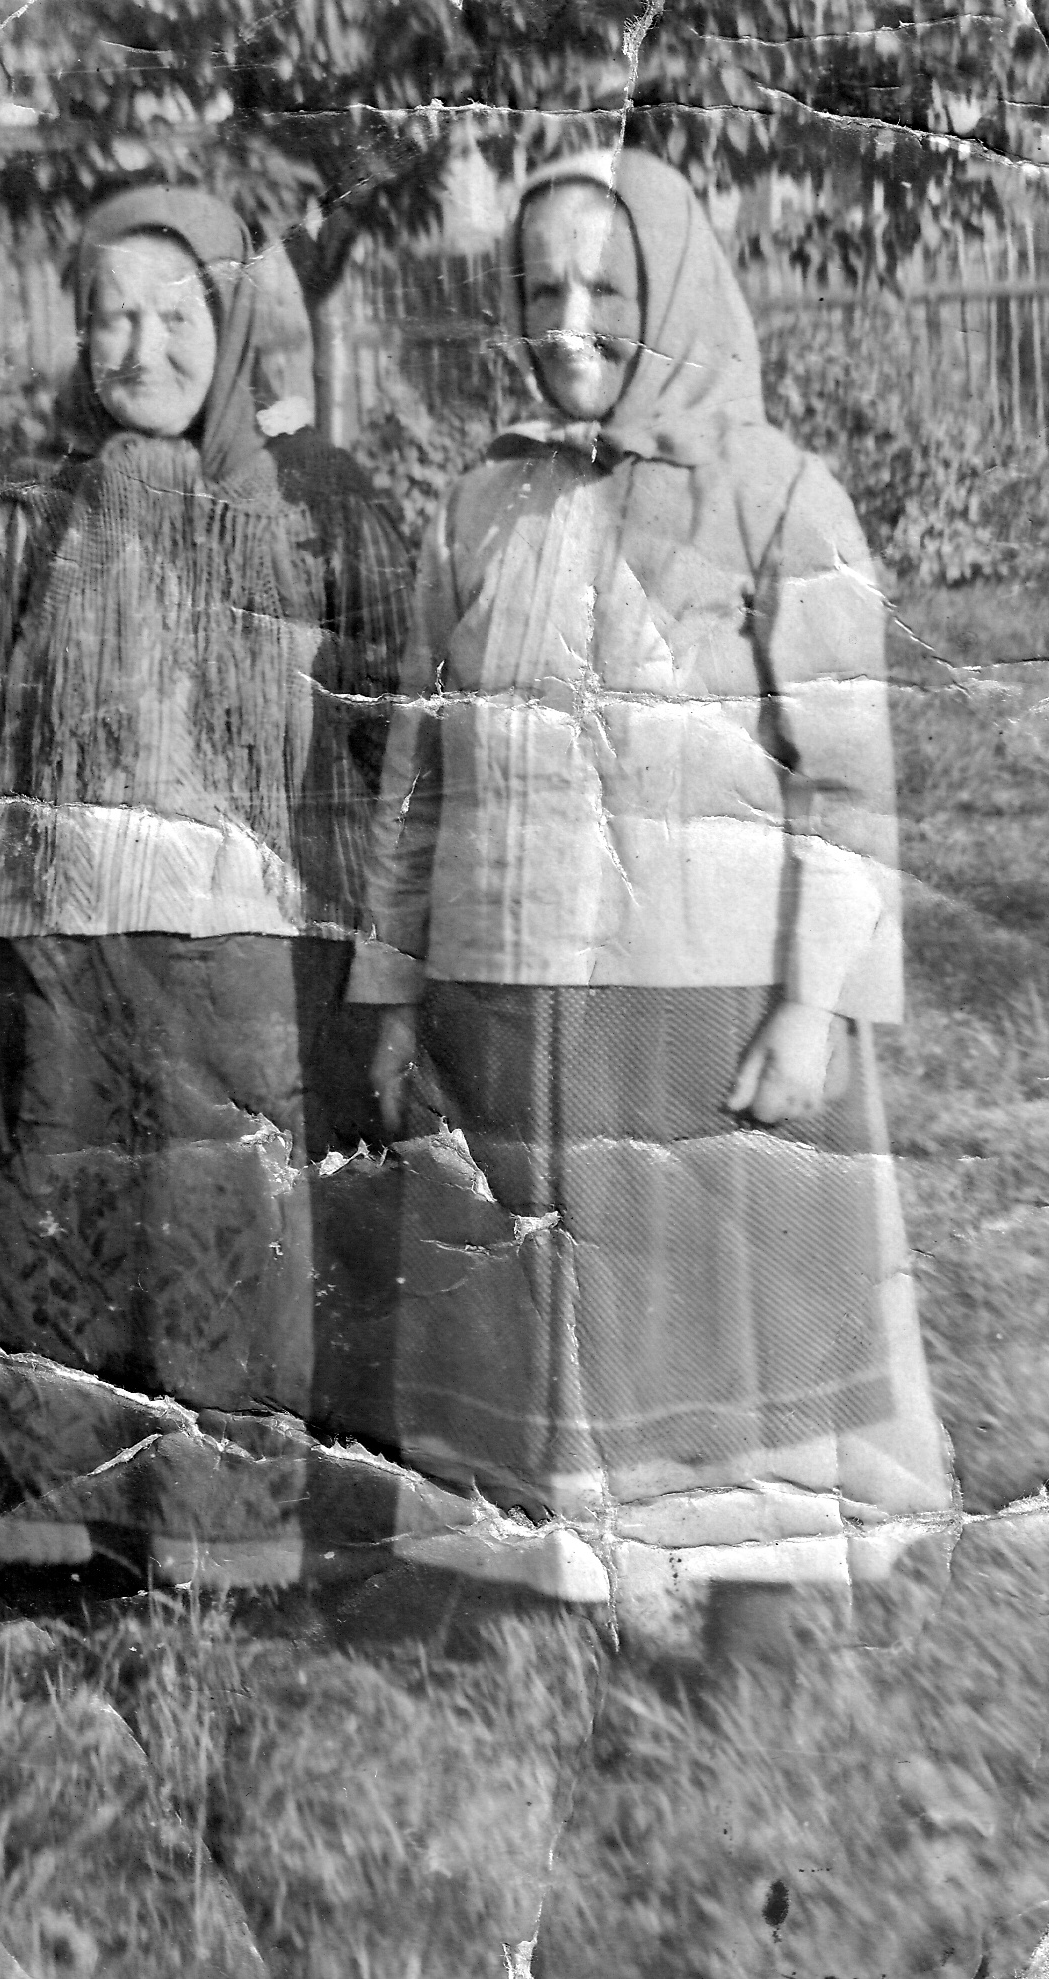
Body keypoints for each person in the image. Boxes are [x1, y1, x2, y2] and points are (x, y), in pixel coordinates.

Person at [347, 147, 954, 1625]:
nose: (568, 324)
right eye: (540, 288)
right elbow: (422, 769)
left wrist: (812, 1007)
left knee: (730, 1305)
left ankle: (765, 1608)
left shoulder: (776, 493)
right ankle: (564, 1585)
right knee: (550, 1304)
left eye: (607, 290)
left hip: (708, 1003)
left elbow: (845, 783)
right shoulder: (480, 502)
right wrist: (394, 989)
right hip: (509, 994)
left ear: (674, 288)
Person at [0, 184, 410, 1577]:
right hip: (46, 941)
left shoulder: (307, 516)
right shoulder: (30, 514)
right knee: (49, 1232)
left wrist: (377, 941)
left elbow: (382, 738)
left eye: (177, 316)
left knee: (216, 1240)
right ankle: (44, 1531)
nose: (142, 350)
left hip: (234, 951)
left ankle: (212, 1541)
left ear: (234, 322)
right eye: (112, 319)